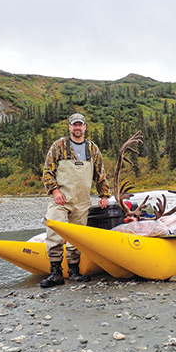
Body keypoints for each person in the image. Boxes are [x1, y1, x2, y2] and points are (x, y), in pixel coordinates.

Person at [41, 113, 110, 288]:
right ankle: (55, 272)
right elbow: (47, 171)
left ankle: (74, 271)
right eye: (74, 125)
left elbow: (100, 174)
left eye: (80, 125)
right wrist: (55, 191)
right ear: (70, 127)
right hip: (61, 199)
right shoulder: (59, 146)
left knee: (76, 237)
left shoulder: (92, 149)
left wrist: (103, 195)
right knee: (54, 231)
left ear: (85, 127)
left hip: (82, 201)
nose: (77, 128)